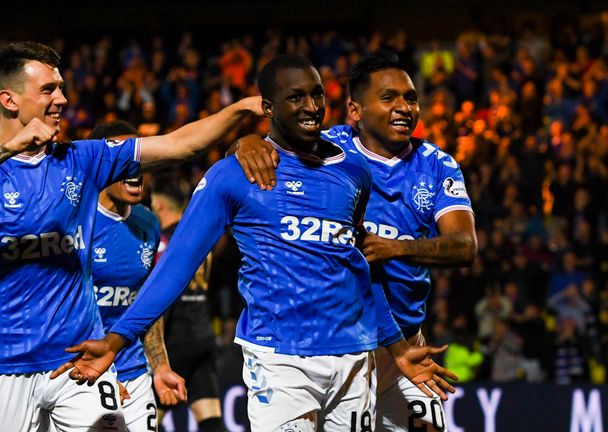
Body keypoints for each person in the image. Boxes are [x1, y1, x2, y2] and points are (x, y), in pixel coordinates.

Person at [52, 55, 457, 432]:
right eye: (295, 97)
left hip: (355, 358)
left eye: (316, 94)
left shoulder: (353, 172)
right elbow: (175, 265)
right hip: (281, 361)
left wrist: (398, 349)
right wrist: (119, 338)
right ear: (267, 108)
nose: (311, 106)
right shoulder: (232, 176)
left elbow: (357, 269)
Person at [0, 41, 262, 432]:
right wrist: (11, 147)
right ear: (9, 100)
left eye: (62, 87)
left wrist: (238, 110)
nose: (62, 99)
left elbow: (177, 145)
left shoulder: (82, 159)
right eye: (49, 90)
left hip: (80, 361)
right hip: (6, 366)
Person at [237, 50, 477, 432]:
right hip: (346, 342)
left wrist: (396, 248)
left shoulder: (437, 164)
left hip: (407, 339)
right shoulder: (328, 149)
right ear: (355, 109)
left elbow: (465, 246)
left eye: (410, 98)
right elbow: (272, 143)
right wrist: (248, 141)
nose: (404, 108)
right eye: (389, 98)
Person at [88, 120, 186, 432]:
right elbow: (58, 307)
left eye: (140, 158)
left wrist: (160, 366)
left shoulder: (147, 222)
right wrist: (100, 378)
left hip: (134, 368)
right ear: (101, 166)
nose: (135, 167)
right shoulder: (76, 221)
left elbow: (147, 303)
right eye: (124, 159)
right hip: (82, 369)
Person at [149, 173, 226, 432]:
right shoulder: (201, 238)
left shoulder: (164, 243)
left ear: (158, 205)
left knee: (150, 418)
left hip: (175, 338)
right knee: (211, 416)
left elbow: (161, 298)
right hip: (202, 334)